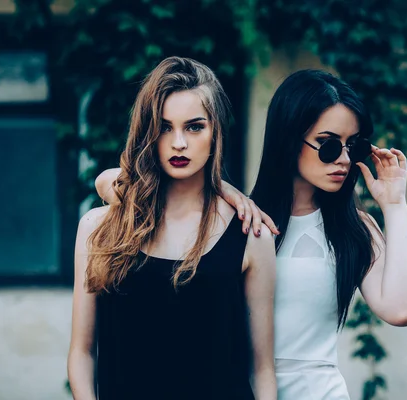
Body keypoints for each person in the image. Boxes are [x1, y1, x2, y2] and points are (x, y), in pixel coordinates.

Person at [96, 68, 407, 399]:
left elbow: (401, 310)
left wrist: (395, 207)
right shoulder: (242, 222)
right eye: (328, 146)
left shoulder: (354, 229)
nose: (343, 159)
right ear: (290, 138)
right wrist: (221, 188)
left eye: (353, 146)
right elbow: (116, 182)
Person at [67, 56, 277, 400]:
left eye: (194, 126)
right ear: (147, 133)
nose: (179, 142)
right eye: (164, 127)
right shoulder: (98, 228)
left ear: (216, 132)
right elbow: (81, 353)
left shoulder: (250, 234)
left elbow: (262, 368)